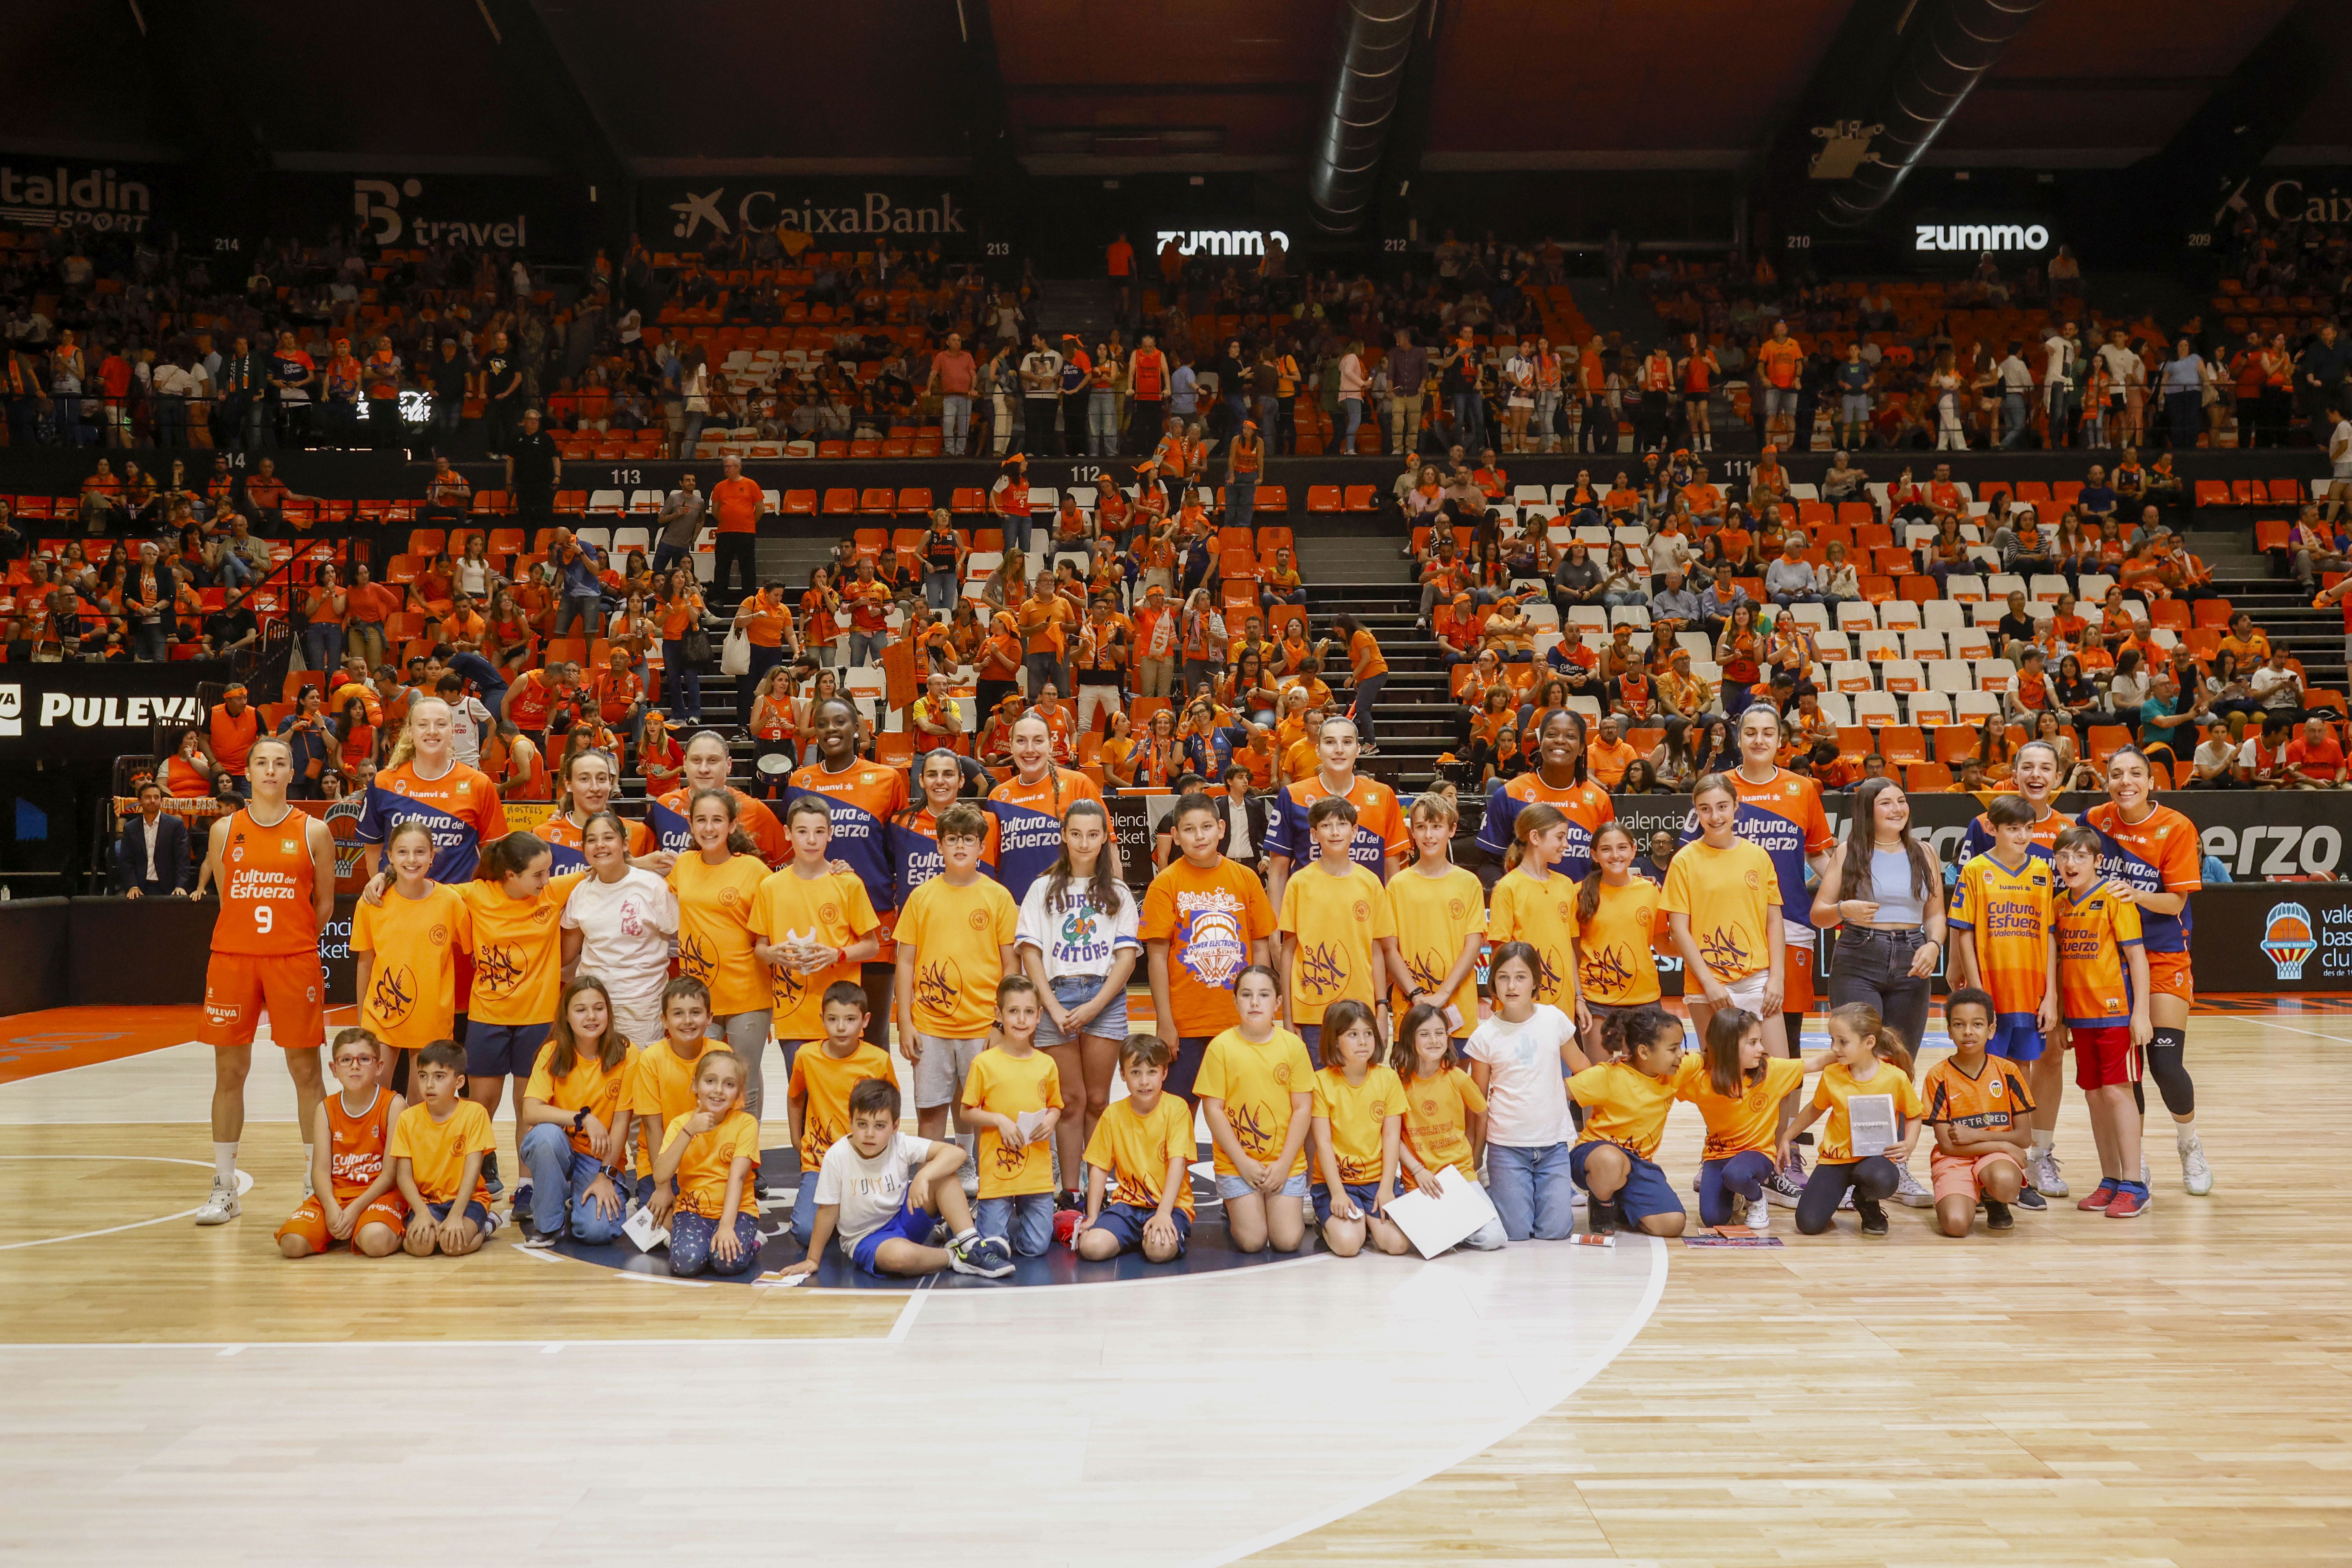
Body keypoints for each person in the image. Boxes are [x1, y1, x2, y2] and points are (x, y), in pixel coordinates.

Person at [191, 736, 338, 1226]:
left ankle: (313, 1184)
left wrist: (292, 940)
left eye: (280, 763)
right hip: (234, 959)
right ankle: (225, 1186)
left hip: (293, 959)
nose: (271, 770)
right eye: (262, 762)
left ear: (291, 771)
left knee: (306, 1072)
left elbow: (323, 905)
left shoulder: (315, 831)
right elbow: (228, 898)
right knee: (229, 1072)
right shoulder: (223, 829)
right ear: (247, 773)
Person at [2084, 748, 2211, 1196]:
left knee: (2163, 1061)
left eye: (2135, 773)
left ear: (2151, 780)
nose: (2126, 782)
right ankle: (2135, 1162)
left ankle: (2189, 1142)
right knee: (2125, 1067)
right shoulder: (2096, 820)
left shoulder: (2176, 827)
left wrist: (2135, 893)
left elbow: (2176, 902)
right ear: (2107, 782)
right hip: (2110, 958)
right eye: (2116, 774)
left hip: (2162, 954)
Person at [1016, 799, 1140, 1207]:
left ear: (1105, 838)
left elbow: (1125, 958)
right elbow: (1030, 952)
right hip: (1057, 996)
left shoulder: (1119, 891)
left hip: (1104, 996)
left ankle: (1098, 1189)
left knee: (1099, 1099)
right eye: (1076, 834)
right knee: (1070, 1101)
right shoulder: (1041, 888)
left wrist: (1096, 1005)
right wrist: (1050, 1007)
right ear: (1064, 836)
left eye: (1093, 834)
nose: (1084, 842)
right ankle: (1070, 1192)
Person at [895, 800, 1020, 1188]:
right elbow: (905, 962)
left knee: (977, 1105)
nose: (961, 846)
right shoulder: (922, 896)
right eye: (952, 839)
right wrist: (904, 1021)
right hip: (930, 1024)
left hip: (982, 1022)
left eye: (969, 839)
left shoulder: (998, 897)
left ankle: (971, 1166)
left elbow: (1011, 966)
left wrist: (1001, 1021)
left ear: (982, 847)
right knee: (930, 1108)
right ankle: (928, 1180)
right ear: (940, 846)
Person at [782, 1078, 1014, 1280]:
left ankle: (971, 1243)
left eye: (879, 1126)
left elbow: (958, 1154)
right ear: (851, 1122)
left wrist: (924, 1174)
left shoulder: (901, 1143)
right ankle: (956, 1255)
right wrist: (813, 1259)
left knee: (942, 1174)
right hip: (867, 1239)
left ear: (895, 1126)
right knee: (900, 1257)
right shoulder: (837, 1157)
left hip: (905, 1218)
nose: (870, 1133)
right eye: (862, 1125)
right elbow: (827, 1211)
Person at [786, 699, 908, 1040]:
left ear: (857, 728)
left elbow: (897, 849)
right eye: (822, 724)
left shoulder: (887, 778)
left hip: (875, 916)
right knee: (821, 1031)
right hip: (816, 919)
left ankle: (877, 1096)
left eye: (840, 722)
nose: (831, 730)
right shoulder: (800, 781)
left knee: (872, 1032)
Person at [749, 794, 881, 1100]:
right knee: (802, 1099)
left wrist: (838, 954)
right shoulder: (770, 887)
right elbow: (760, 948)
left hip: (841, 1016)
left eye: (819, 832)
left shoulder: (848, 883)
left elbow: (872, 946)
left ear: (831, 834)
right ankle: (803, 1150)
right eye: (802, 831)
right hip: (793, 1015)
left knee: (844, 1101)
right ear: (787, 833)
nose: (811, 840)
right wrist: (773, 955)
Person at [2052, 824, 2154, 1218]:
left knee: (2117, 1092)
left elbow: (2137, 958)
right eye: (2064, 856)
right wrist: (2061, 1018)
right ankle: (2110, 1179)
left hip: (2115, 1014)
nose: (2071, 863)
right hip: (2080, 1017)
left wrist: (2140, 1013)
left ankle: (2135, 1182)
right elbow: (2060, 964)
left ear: (2097, 861)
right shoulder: (2060, 904)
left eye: (2080, 856)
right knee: (2094, 1096)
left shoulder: (2115, 898)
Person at [1813, 777, 1945, 1055]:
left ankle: (1898, 1101)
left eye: (1901, 801)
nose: (1897, 809)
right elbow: (1818, 915)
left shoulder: (1926, 852)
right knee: (1859, 1056)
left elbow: (1935, 916)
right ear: (1867, 810)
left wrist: (1933, 946)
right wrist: (1843, 910)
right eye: (1886, 803)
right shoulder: (1849, 852)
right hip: (1858, 958)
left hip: (1912, 959)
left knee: (1900, 1058)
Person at [1466, 942, 1585, 1242]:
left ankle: (1526, 1193)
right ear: (1493, 982)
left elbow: (1584, 1070)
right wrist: (1476, 1155)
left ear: (1535, 981)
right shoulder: (1484, 1036)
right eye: (1503, 977)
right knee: (1516, 1233)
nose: (1511, 985)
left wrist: (1566, 1091)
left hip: (1553, 1145)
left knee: (1556, 1231)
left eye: (1521, 977)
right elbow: (1477, 1102)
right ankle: (1494, 1183)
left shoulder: (1554, 1019)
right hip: (1507, 1147)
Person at [1196, 964, 1315, 1255]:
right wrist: (1243, 1163)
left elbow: (1303, 1109)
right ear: (1235, 1001)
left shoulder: (1293, 1047)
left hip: (1283, 1162)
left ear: (1277, 1003)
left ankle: (1266, 1202)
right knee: (1252, 1242)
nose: (1254, 1002)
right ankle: (1237, 1205)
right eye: (1247, 995)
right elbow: (1213, 1110)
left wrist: (1285, 1164)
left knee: (1286, 1241)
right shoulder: (1220, 1047)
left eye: (1264, 995)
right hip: (1237, 1164)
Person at [350, 820, 473, 1087]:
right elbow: (365, 963)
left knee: (424, 1106)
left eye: (420, 852)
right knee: (376, 1097)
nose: (412, 859)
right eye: (403, 852)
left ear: (432, 855)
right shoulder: (372, 902)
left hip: (432, 1021)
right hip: (381, 1016)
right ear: (390, 856)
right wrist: (363, 1020)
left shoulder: (451, 901)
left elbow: (471, 952)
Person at [1783, 1003, 1922, 1237]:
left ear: (1869, 1043)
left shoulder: (1895, 1078)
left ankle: (1866, 1199)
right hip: (1835, 1160)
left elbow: (1914, 1114)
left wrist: (1910, 1143)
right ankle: (1837, 1189)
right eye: (1832, 1040)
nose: (1835, 1048)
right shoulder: (1832, 1074)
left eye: (1843, 1042)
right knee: (1808, 1224)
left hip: (1873, 1160)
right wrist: (1787, 1136)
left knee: (1883, 1179)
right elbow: (1814, 1109)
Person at [515, 976, 634, 1246]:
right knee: (545, 1136)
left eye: (599, 1008)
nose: (591, 1017)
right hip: (560, 1150)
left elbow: (621, 1123)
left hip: (599, 1158)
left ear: (609, 1012)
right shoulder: (552, 1052)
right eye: (581, 1010)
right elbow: (530, 1112)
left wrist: (606, 1176)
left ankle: (570, 1194)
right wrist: (583, 1118)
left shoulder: (626, 1053)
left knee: (598, 1233)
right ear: (566, 1017)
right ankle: (549, 1225)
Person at [275, 1029, 408, 1259]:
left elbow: (390, 1174)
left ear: (379, 1067)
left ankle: (377, 1226)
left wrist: (356, 1209)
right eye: (346, 1060)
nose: (355, 1066)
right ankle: (345, 1228)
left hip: (378, 1195)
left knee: (375, 1242)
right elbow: (320, 1170)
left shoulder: (394, 1104)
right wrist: (330, 1207)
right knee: (292, 1244)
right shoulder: (325, 1109)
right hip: (337, 1195)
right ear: (334, 1069)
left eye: (364, 1059)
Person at [1278, 794, 1396, 1053]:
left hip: (1361, 1010)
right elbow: (1288, 952)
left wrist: (1381, 1007)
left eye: (1342, 824)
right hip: (1311, 1013)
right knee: (1316, 1090)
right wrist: (1288, 1017)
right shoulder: (1299, 883)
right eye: (1326, 825)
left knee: (1357, 1089)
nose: (1335, 832)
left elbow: (1377, 951)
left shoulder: (1371, 883)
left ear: (1354, 831)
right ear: (1314, 833)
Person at [553, 809, 678, 1046]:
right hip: (593, 1006)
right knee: (594, 1078)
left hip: (642, 1007)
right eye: (592, 840)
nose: (600, 845)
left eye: (609, 838)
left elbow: (683, 937)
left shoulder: (653, 886)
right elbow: (565, 955)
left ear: (625, 844)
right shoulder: (581, 892)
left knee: (637, 1080)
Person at [958, 976, 1063, 1258]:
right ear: (998, 1014)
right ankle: (964, 1228)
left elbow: (1056, 1106)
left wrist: (1052, 1119)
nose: (1021, 1019)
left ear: (1039, 1016)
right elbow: (966, 1111)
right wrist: (999, 1121)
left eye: (1029, 1012)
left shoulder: (1046, 1064)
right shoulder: (984, 1063)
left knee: (1036, 1248)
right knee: (994, 1247)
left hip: (1036, 1172)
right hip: (998, 1170)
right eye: (1013, 1011)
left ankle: (1014, 1224)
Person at [783, 983, 896, 1245]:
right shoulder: (806, 1056)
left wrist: (885, 1154)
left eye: (850, 1019)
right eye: (833, 1019)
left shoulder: (878, 1060)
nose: (841, 1027)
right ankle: (835, 1215)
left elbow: (892, 1109)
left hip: (866, 1161)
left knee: (881, 1229)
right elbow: (795, 1096)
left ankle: (845, 1214)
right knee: (805, 1232)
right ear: (822, 1019)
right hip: (819, 1163)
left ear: (866, 1021)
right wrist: (795, 1139)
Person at [1261, 715, 1408, 910]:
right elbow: (1278, 871)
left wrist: (1393, 928)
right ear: (1318, 750)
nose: (1339, 749)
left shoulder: (1383, 795)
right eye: (1330, 742)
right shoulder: (1293, 796)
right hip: (1309, 917)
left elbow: (1392, 872)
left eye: (1347, 742)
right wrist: (1275, 930)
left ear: (1358, 749)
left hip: (1369, 919)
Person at [1070, 1034, 1195, 1263]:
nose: (1144, 1082)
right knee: (1091, 1247)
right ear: (1123, 1074)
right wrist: (1093, 1216)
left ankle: (1151, 1235)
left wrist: (1164, 1214)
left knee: (1159, 1250)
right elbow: (1098, 1167)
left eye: (1152, 1072)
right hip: (1127, 1206)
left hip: (1171, 1206)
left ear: (1164, 1073)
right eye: (1136, 1072)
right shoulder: (1113, 1114)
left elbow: (1178, 1163)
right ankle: (1133, 1234)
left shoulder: (1177, 1109)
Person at [1920, 988, 2034, 1237]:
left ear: (1992, 1029)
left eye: (1978, 1024)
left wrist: (1977, 1136)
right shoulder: (1938, 1076)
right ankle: (1967, 1191)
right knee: (1956, 1226)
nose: (1968, 1032)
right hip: (1955, 1159)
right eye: (1959, 1025)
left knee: (2005, 1182)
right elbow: (1948, 1146)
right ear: (1949, 1030)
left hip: (1994, 1158)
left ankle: (1994, 1198)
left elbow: (2024, 1138)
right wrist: (2004, 1145)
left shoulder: (2008, 1072)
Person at [1388, 1004, 1503, 1249]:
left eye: (1440, 1033)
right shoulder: (1398, 1083)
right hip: (1420, 1180)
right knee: (1423, 1241)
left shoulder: (1457, 1077)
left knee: (1495, 1238)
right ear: (1410, 1038)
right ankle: (1447, 1227)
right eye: (1424, 1034)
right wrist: (1418, 1170)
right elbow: (1391, 1137)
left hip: (1460, 1175)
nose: (1434, 1040)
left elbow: (1481, 1113)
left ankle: (1452, 1229)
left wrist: (1476, 1155)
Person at [1568, 1007, 1690, 1238]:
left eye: (1681, 1047)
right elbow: (1557, 1091)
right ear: (1643, 1052)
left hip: (1639, 1165)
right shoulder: (1608, 1074)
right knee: (1612, 1161)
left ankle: (1622, 1207)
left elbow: (1707, 1058)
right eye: (1673, 1049)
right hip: (1595, 1155)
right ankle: (1601, 1203)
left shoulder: (1677, 1071)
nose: (1681, 1054)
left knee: (1673, 1224)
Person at [1675, 1007, 1798, 1234]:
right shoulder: (1703, 1082)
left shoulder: (1771, 1071)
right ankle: (1736, 1193)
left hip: (1757, 1154)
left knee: (1737, 1174)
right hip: (1718, 1156)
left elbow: (1815, 1064)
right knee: (1713, 1220)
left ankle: (1757, 1198)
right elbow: (1668, 1073)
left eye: (1760, 1041)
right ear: (1729, 1046)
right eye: (1753, 1043)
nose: (1761, 1049)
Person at [1304, 1000, 1410, 1258]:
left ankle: (1368, 1222)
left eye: (1368, 1034)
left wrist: (1386, 1187)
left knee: (1398, 1245)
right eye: (1353, 1035)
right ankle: (1329, 1223)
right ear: (1335, 1040)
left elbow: (1391, 1136)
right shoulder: (1321, 1082)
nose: (1363, 1041)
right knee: (1348, 1245)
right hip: (1337, 1183)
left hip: (1376, 1181)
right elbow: (1324, 1144)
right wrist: (1338, 1193)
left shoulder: (1387, 1079)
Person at [1384, 795, 1486, 1050]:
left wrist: (1443, 995)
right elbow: (1389, 949)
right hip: (1410, 1007)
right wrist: (1416, 994)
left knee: (1456, 1085)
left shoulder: (1469, 883)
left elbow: (1473, 946)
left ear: (1452, 829)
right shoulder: (1398, 885)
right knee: (1411, 1087)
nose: (1429, 835)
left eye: (1437, 826)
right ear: (1413, 833)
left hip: (1458, 1007)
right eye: (1421, 827)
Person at [652, 1050, 763, 1278]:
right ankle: (689, 1240)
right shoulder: (680, 1124)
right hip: (693, 1211)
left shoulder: (746, 1123)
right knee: (685, 1264)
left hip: (738, 1212)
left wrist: (726, 1226)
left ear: (739, 1093)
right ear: (695, 1085)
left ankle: (754, 1241)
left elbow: (738, 1177)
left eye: (729, 1084)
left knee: (727, 1263)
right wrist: (689, 1131)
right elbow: (661, 1175)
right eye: (710, 1081)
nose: (718, 1090)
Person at [1475, 707, 1613, 881]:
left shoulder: (1600, 799)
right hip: (1525, 905)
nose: (1560, 741)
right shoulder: (1510, 794)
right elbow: (1489, 863)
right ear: (1541, 743)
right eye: (1552, 735)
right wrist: (1502, 889)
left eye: (1570, 736)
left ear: (1581, 749)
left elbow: (1610, 864)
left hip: (1581, 905)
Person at [390, 1040, 498, 1255]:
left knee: (453, 1246)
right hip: (426, 1202)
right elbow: (403, 1176)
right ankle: (433, 1227)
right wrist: (421, 1213)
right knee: (420, 1248)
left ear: (459, 1082)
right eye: (423, 1076)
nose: (429, 1085)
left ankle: (486, 1225)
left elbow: (473, 1170)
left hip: (467, 1201)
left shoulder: (475, 1113)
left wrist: (457, 1215)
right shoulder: (407, 1118)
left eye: (439, 1077)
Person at [1571, 822, 1668, 1036]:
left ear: (1634, 849)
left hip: (1646, 1000)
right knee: (1602, 1070)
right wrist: (1578, 997)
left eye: (1622, 847)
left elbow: (1662, 945)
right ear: (1595, 855)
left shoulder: (1651, 891)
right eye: (1606, 849)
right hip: (1597, 1001)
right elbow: (1572, 953)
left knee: (1647, 1070)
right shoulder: (1577, 894)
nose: (1615, 855)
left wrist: (1699, 952)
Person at [1486, 803, 1582, 1016]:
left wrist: (1579, 997)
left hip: (1563, 1007)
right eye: (1560, 837)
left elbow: (1571, 950)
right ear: (1535, 837)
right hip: (1522, 1009)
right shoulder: (1508, 887)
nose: (1566, 844)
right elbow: (1499, 953)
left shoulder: (1566, 885)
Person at [114, 779, 194, 896]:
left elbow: (183, 859)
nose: (153, 801)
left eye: (156, 797)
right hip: (140, 888)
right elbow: (127, 861)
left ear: (161, 801)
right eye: (148, 797)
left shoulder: (176, 825)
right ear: (139, 801)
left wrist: (180, 886)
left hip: (169, 888)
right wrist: (132, 885)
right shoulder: (131, 828)